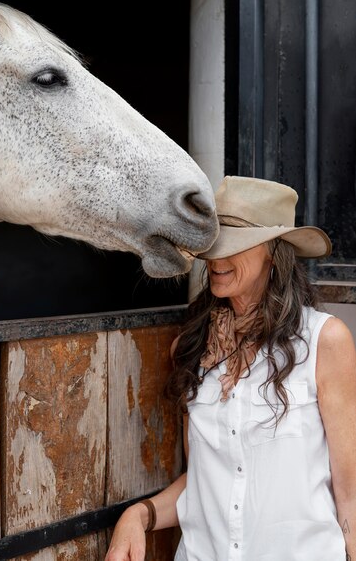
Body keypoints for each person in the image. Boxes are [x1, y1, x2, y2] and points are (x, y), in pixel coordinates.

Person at [105, 175, 356, 561]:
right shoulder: (190, 350)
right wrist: (139, 515)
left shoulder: (325, 342)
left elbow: (350, 491)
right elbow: (204, 481)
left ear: (274, 252)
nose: (217, 260)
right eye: (213, 246)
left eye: (234, 246)